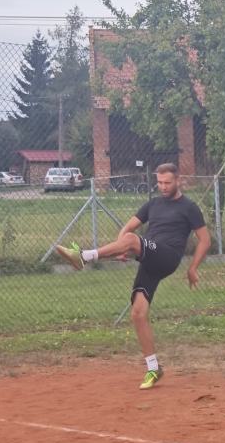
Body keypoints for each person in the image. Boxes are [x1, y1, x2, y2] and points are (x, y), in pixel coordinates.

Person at [55, 163, 209, 390]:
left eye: (167, 182)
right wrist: (121, 247)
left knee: (131, 240)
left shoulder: (189, 207)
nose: (163, 187)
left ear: (178, 180)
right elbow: (127, 229)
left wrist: (193, 267)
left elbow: (205, 240)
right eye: (159, 182)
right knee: (138, 313)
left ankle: (84, 257)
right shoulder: (153, 204)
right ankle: (153, 368)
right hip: (150, 258)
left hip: (168, 256)